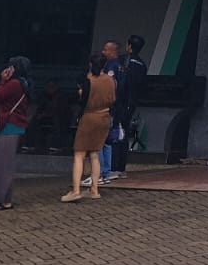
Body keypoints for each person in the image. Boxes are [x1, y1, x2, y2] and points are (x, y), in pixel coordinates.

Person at [62, 53, 115, 203]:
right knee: (95, 154)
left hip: (89, 117)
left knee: (79, 154)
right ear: (105, 65)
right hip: (104, 117)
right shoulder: (110, 80)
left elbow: (82, 101)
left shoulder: (88, 81)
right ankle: (94, 189)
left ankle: (76, 190)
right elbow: (113, 99)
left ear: (91, 64)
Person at [0, 56, 32, 212]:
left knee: (2, 165)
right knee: (7, 164)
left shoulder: (13, 84)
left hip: (9, 125)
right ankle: (5, 199)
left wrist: (2, 81)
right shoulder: (24, 83)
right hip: (16, 125)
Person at [104, 34, 147, 183]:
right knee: (124, 134)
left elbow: (116, 83)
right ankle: (121, 167)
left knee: (115, 134)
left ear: (129, 46)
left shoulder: (122, 60)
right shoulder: (142, 65)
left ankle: (114, 167)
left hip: (119, 103)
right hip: (131, 104)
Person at [97, 41, 122, 183]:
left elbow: (109, 86)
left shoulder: (112, 66)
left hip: (105, 108)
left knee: (99, 142)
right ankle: (106, 172)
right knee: (107, 142)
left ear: (113, 51)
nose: (103, 52)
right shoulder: (121, 66)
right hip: (114, 108)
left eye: (106, 49)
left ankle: (100, 173)